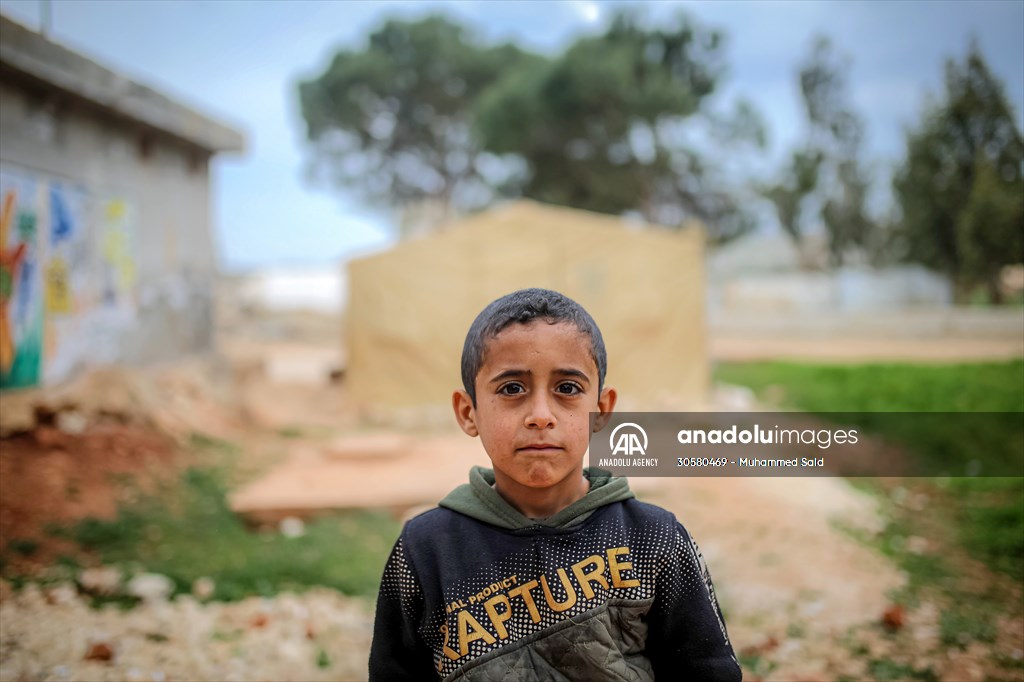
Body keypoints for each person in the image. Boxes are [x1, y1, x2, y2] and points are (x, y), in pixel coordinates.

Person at [369, 288, 741, 681]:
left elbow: (708, 671)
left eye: (567, 388)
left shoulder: (653, 540)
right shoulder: (427, 550)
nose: (541, 416)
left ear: (601, 409)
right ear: (468, 411)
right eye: (512, 388)